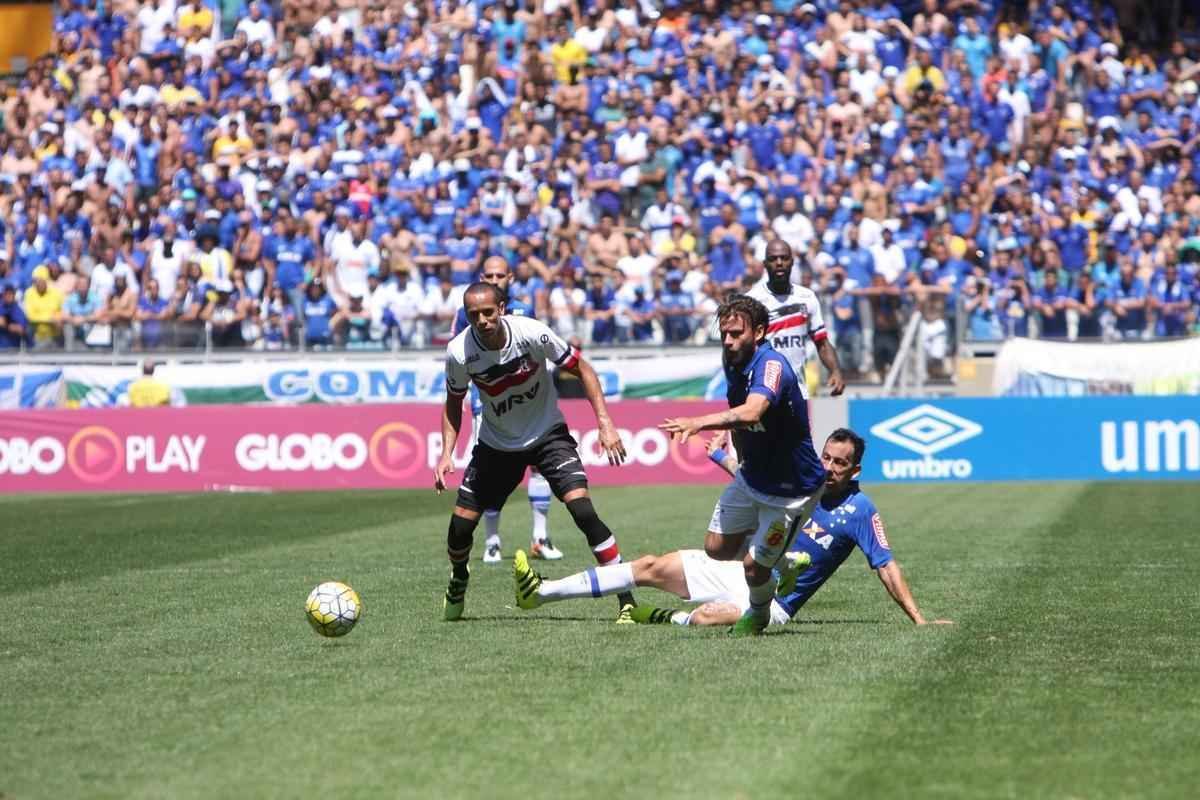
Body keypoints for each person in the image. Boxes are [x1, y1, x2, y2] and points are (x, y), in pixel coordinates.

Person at [513, 428, 952, 629]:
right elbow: (755, 487)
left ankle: (666, 618)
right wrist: (721, 457)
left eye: (840, 463)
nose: (830, 468)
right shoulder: (803, 482)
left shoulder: (859, 510)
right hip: (736, 568)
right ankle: (541, 592)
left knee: (708, 617)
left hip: (773, 604)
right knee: (648, 565)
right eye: (826, 457)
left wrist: (919, 619)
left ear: (855, 469)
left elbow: (886, 565)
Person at [435, 282, 633, 621]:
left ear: (501, 309)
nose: (482, 320)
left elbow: (582, 368)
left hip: (547, 436)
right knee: (460, 529)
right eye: (474, 315)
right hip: (496, 446)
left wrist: (605, 423)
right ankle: (459, 577)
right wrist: (446, 453)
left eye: (487, 312)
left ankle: (626, 598)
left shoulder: (531, 333)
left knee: (583, 511)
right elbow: (454, 402)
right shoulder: (458, 352)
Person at [655, 295, 827, 636]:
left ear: (760, 332)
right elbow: (741, 415)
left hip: (792, 490)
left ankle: (758, 616)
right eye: (725, 334)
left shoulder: (772, 364)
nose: (729, 341)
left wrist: (700, 422)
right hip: (753, 478)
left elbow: (752, 412)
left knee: (753, 569)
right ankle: (785, 560)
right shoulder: (733, 359)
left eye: (736, 334)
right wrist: (736, 445)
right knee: (716, 548)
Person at [449, 256, 563, 564]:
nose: (495, 279)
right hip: (486, 403)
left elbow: (540, 354)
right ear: (482, 277)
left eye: (500, 275)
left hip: (528, 402)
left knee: (539, 467)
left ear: (510, 277)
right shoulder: (466, 313)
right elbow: (461, 356)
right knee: (488, 472)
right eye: (489, 275)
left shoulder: (525, 310)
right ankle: (492, 541)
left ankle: (540, 537)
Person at [747, 239, 845, 397]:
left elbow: (821, 342)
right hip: (762, 391)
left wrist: (835, 371)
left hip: (798, 391)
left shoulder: (806, 297)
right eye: (773, 259)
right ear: (765, 264)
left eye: (784, 258)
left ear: (792, 262)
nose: (779, 263)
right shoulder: (752, 300)